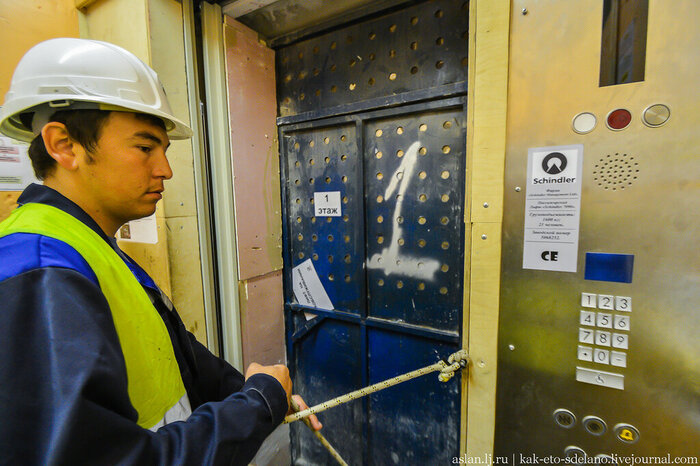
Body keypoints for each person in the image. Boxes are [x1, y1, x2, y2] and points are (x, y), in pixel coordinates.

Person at [0, 38, 319, 465]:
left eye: (164, 151)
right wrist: (257, 403)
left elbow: (173, 354)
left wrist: (256, 393)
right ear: (64, 145)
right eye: (145, 148)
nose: (165, 170)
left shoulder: (86, 244)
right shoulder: (42, 268)